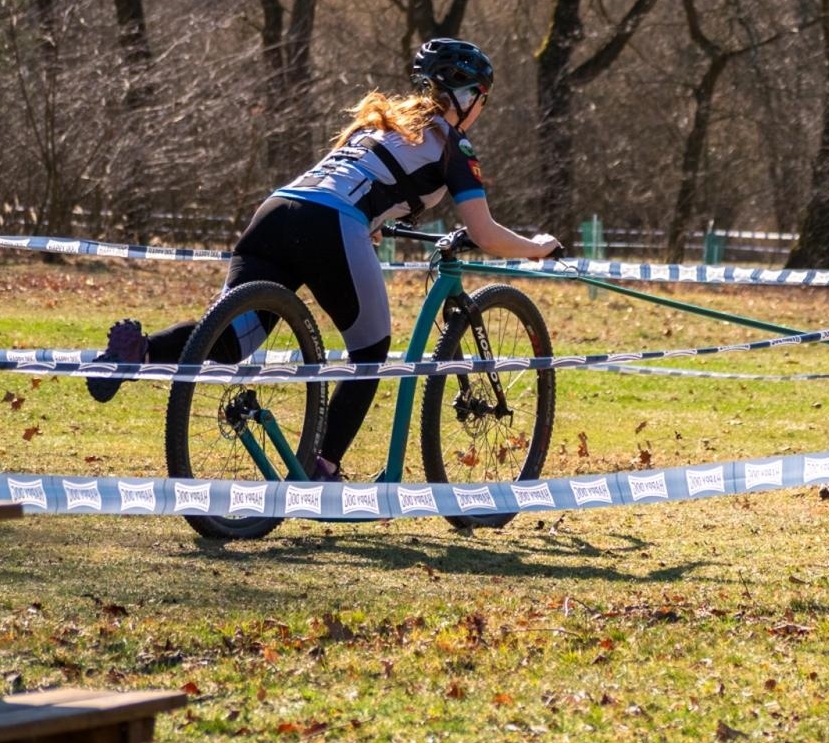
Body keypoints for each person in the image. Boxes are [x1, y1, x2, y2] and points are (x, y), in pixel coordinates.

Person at [86, 38, 561, 480]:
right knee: (370, 354)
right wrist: (536, 247)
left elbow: (352, 179)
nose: (481, 109)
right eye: (482, 98)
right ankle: (321, 467)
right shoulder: (452, 143)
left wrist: (370, 222)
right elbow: (484, 233)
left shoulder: (379, 124)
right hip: (332, 223)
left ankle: (139, 350)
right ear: (466, 96)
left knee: (233, 337)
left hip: (276, 212)